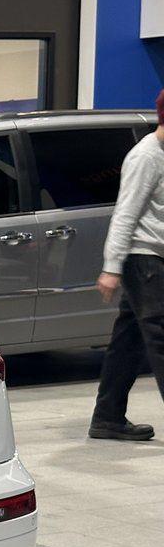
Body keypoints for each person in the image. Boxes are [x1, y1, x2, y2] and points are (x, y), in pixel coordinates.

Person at [89, 89, 164, 441]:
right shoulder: (146, 156)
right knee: (160, 336)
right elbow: (125, 214)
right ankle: (107, 416)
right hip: (143, 259)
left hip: (154, 257)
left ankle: (107, 417)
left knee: (128, 340)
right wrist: (112, 266)